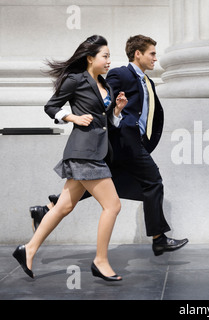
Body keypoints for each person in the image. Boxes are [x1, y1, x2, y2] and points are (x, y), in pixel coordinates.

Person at [30, 35, 188, 257]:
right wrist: (77, 117)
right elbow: (98, 100)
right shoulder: (119, 74)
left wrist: (117, 113)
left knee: (100, 183)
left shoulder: (148, 82)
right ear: (138, 54)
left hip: (130, 142)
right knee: (153, 181)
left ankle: (46, 210)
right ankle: (158, 239)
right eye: (152, 53)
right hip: (122, 140)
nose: (156, 58)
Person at [13, 35, 128, 281]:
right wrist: (72, 117)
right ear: (90, 58)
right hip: (83, 153)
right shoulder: (76, 80)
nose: (109, 61)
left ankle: (28, 249)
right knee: (113, 205)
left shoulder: (105, 86)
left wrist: (116, 110)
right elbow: (51, 106)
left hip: (97, 151)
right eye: (105, 56)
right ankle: (100, 261)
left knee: (63, 206)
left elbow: (106, 123)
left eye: (109, 56)